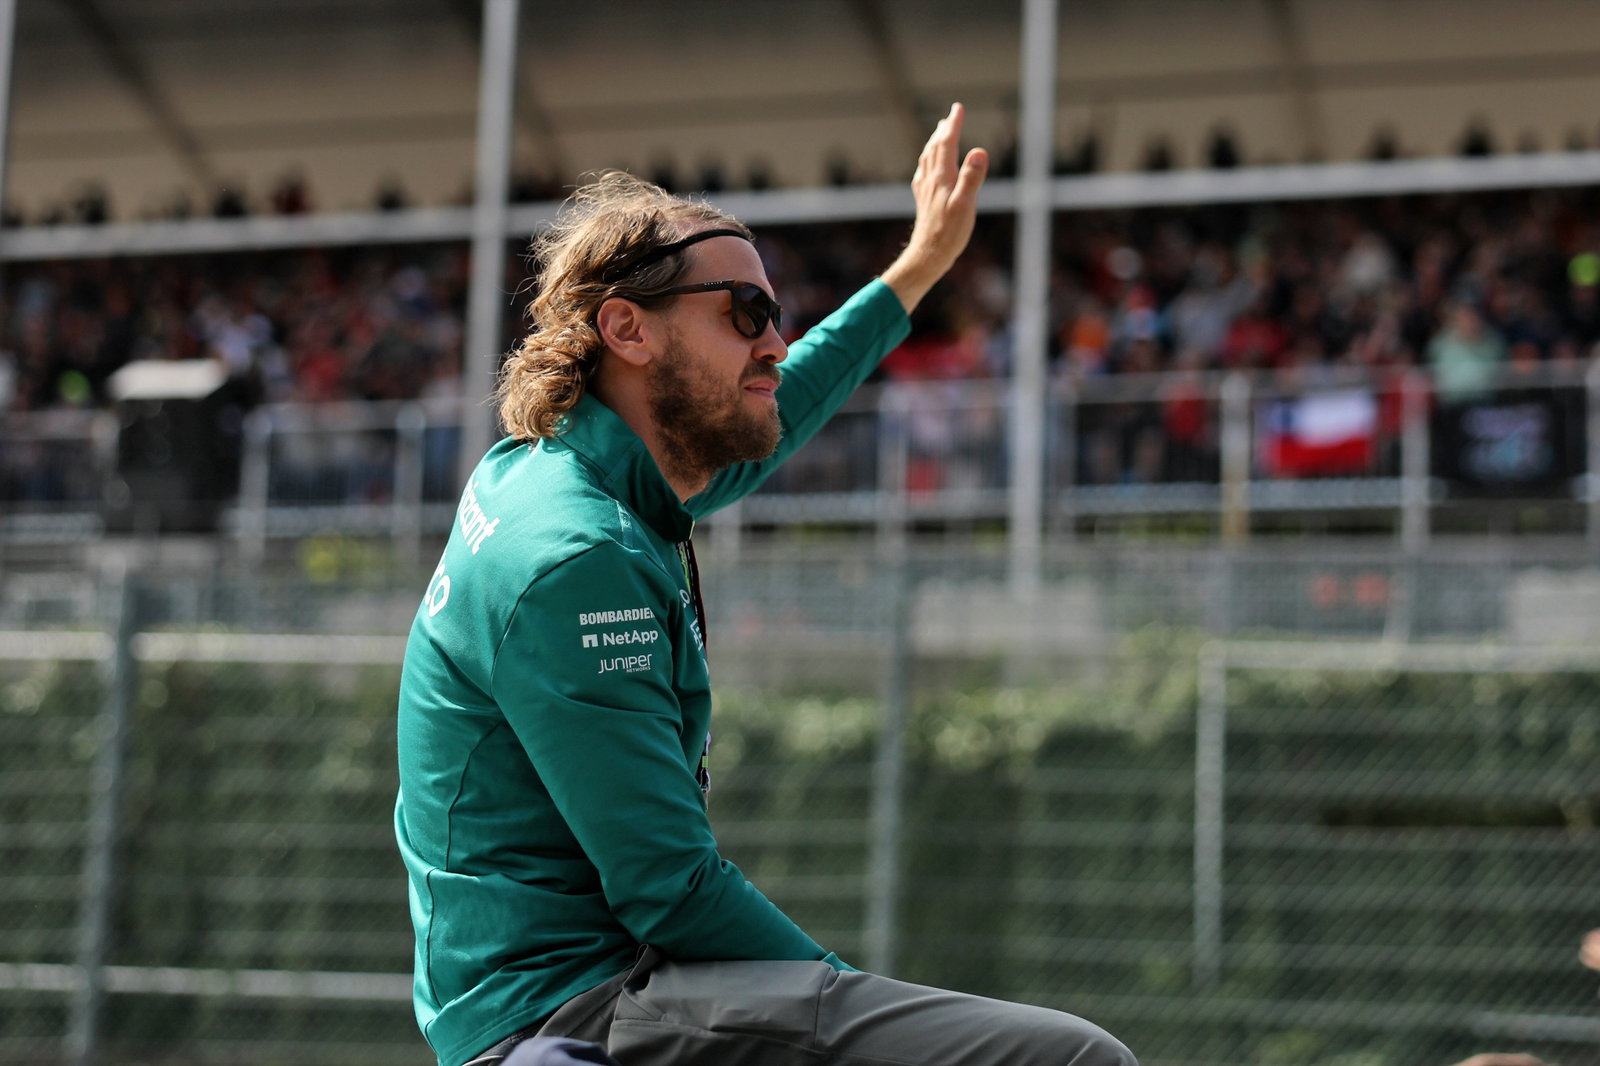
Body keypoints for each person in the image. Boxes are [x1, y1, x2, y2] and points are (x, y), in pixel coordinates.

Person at [394, 104, 1136, 1066]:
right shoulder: (580, 561)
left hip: (563, 996)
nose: (775, 343)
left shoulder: (555, 468)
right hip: (570, 1015)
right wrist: (836, 994)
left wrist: (917, 268)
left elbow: (785, 406)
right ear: (628, 329)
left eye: (775, 316)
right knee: (1072, 1061)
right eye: (744, 315)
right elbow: (669, 888)